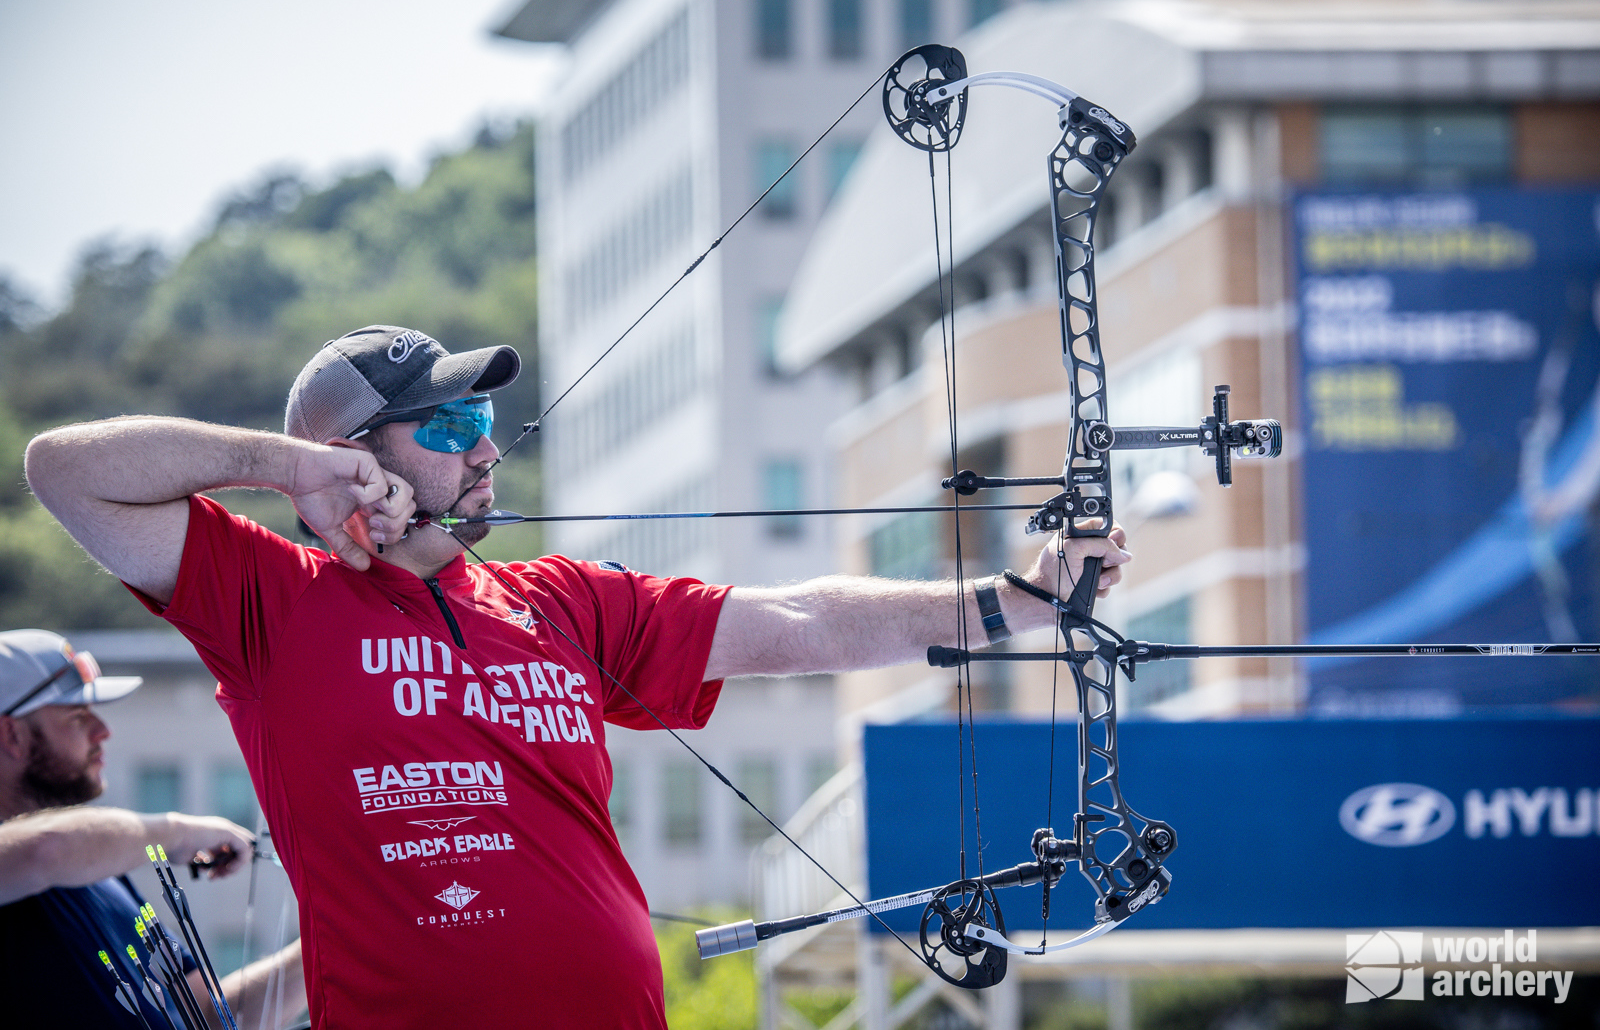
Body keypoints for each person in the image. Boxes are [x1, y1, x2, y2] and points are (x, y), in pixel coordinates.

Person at [23, 324, 1130, 1028]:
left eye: (488, 424)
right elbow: (64, 470)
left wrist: (1013, 601)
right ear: (358, 453)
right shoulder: (271, 597)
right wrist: (287, 468)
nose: (486, 451)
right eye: (452, 425)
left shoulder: (559, 599)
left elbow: (791, 618)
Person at [0, 627, 307, 1028]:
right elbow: (49, 848)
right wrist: (177, 834)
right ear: (12, 735)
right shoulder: (35, 859)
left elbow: (211, 1019)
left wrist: (333, 942)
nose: (102, 731)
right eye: (77, 717)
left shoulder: (100, 869)